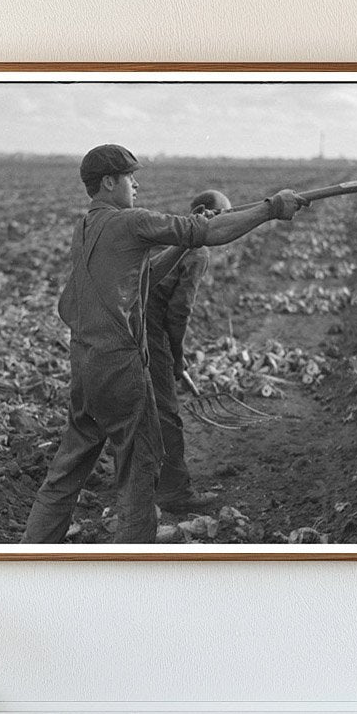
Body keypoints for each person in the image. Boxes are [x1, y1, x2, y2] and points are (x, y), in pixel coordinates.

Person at [22, 144, 306, 544]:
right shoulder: (129, 222)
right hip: (119, 368)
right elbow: (207, 232)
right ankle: (134, 570)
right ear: (108, 182)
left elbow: (144, 279)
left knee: (65, 473)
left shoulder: (86, 227)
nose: (136, 185)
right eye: (129, 178)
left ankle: (31, 555)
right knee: (140, 468)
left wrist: (181, 244)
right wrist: (272, 208)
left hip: (84, 365)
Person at [146, 190, 232, 513]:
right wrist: (177, 359)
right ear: (202, 214)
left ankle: (141, 478)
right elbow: (178, 313)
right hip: (150, 321)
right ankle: (174, 491)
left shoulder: (168, 236)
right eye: (224, 215)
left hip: (124, 316)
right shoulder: (197, 253)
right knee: (167, 408)